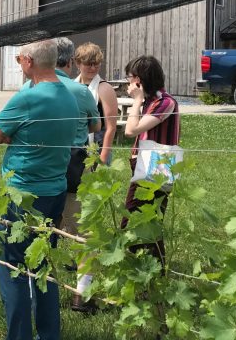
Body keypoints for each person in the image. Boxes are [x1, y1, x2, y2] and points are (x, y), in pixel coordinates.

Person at [0, 39, 79, 340]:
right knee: (43, 263)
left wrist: (12, 136)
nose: (18, 64)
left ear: (28, 62)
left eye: (19, 59)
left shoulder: (28, 98)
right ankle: (49, 335)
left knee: (11, 267)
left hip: (23, 193)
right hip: (55, 191)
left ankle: (20, 335)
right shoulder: (70, 95)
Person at [53, 38, 101, 313]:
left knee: (44, 230)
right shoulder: (80, 91)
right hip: (73, 170)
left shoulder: (29, 88)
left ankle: (42, 287)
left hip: (41, 172)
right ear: (71, 62)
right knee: (84, 234)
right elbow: (95, 123)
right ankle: (81, 295)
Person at [122, 55, 180, 266]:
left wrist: (136, 101)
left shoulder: (164, 102)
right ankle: (143, 269)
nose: (128, 83)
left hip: (155, 169)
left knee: (144, 220)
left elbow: (130, 130)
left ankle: (152, 271)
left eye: (129, 78)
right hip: (142, 166)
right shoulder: (150, 101)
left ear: (139, 79)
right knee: (136, 219)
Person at [74, 42, 118, 166]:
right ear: (78, 63)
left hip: (98, 146)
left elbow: (111, 127)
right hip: (77, 146)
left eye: (96, 64)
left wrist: (103, 157)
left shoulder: (104, 88)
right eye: (88, 64)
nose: (93, 68)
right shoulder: (73, 85)